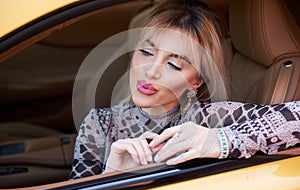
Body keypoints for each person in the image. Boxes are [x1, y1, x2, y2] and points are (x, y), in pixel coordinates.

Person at [68, 0, 300, 179]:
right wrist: (111, 176)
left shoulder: (211, 119)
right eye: (146, 53)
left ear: (196, 81)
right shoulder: (99, 124)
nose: (151, 72)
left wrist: (220, 139)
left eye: (174, 64)